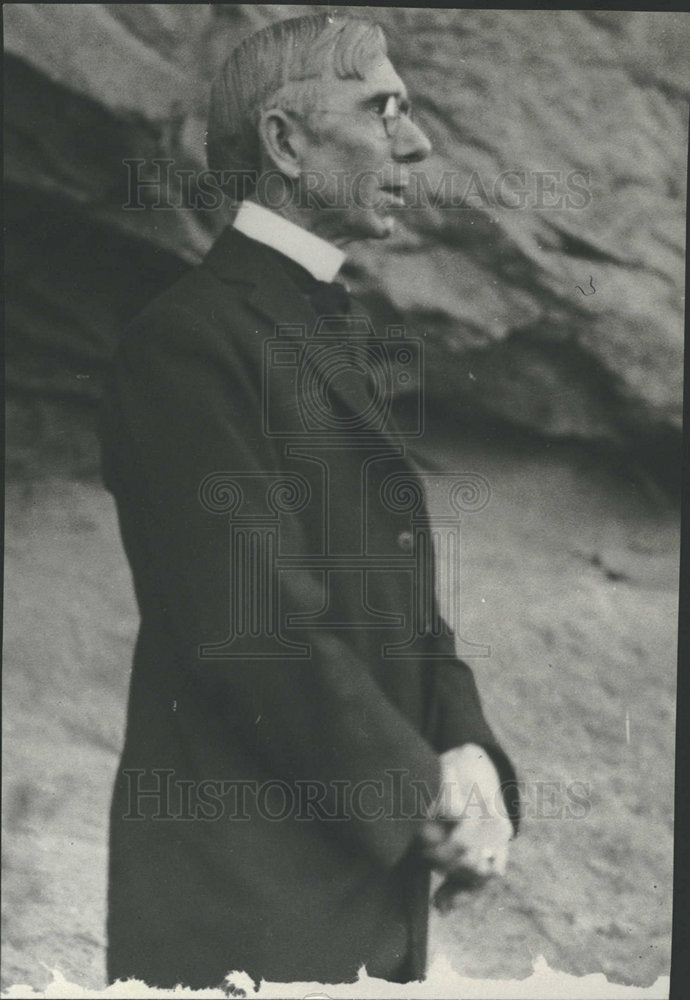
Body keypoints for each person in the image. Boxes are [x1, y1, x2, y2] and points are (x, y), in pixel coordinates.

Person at [99, 12, 520, 990]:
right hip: (244, 904)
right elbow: (261, 630)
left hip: (351, 882)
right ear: (287, 141)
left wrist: (470, 748)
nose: (416, 143)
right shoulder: (189, 342)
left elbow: (399, 600)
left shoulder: (317, 326)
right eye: (384, 111)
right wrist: (426, 801)